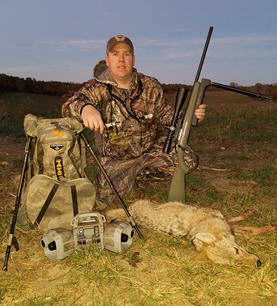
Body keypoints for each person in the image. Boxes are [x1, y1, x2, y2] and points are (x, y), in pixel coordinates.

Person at [62, 34, 206, 208]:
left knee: (188, 159)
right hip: (117, 161)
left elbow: (168, 117)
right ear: (107, 60)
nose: (121, 60)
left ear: (133, 59)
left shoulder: (150, 86)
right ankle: (132, 175)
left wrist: (190, 116)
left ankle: (140, 174)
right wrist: (86, 108)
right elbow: (70, 105)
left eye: (127, 54)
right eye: (115, 54)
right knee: (102, 199)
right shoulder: (96, 87)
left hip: (150, 153)